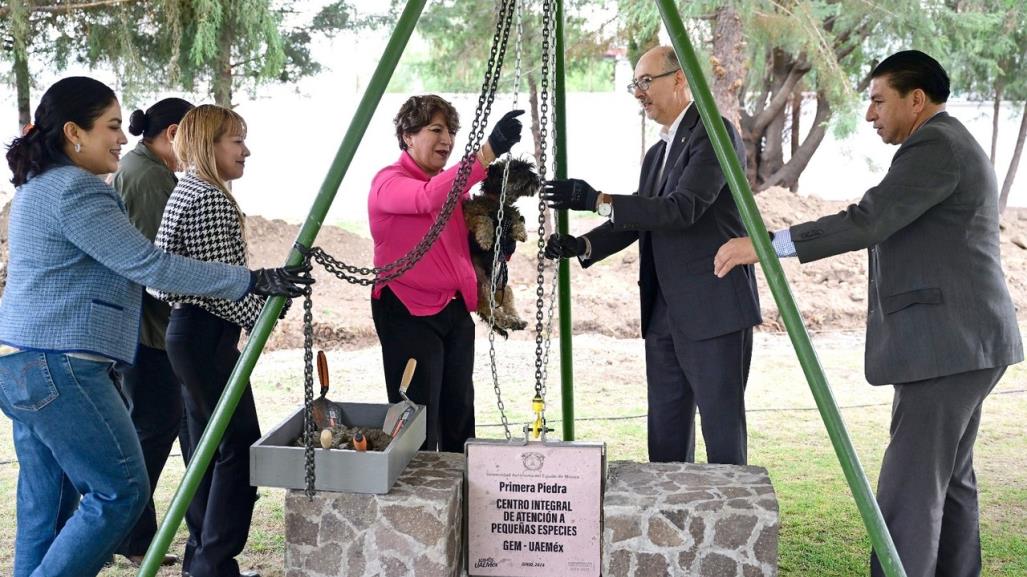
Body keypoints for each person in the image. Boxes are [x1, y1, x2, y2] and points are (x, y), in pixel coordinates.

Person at [713, 50, 1023, 577]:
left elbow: (868, 221)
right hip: (962, 343)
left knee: (910, 489)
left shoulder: (937, 145)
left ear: (916, 99)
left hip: (946, 347)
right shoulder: (944, 144)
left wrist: (767, 244)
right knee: (949, 483)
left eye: (879, 101)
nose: (870, 115)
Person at [0, 77, 311, 577]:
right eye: (113, 127)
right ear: (74, 133)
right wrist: (250, 281)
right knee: (120, 493)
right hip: (63, 367)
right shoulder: (78, 191)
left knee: (46, 506)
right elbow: (151, 266)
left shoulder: (36, 188)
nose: (124, 138)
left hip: (20, 365)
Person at [542, 46, 761, 465]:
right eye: (634, 85)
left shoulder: (714, 132)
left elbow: (683, 208)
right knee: (664, 433)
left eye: (646, 82)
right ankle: (670, 523)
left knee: (722, 434)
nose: (638, 93)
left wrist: (597, 199)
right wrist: (584, 245)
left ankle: (725, 528)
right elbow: (644, 216)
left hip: (714, 309)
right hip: (663, 312)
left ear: (679, 79)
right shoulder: (656, 154)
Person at [154, 104, 286, 577]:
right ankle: (214, 561)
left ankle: (203, 561)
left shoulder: (187, 188)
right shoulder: (208, 197)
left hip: (189, 334)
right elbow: (217, 287)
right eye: (236, 140)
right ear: (208, 145)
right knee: (237, 445)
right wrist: (269, 303)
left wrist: (257, 289)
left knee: (206, 450)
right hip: (205, 332)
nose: (245, 150)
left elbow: (179, 281)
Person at [368, 95, 523, 452]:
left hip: (451, 311)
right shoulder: (388, 182)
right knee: (417, 422)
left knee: (459, 414)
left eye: (451, 131)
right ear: (407, 136)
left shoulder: (450, 187)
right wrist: (488, 151)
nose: (448, 140)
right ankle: (420, 503)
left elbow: (459, 250)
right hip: (406, 311)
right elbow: (426, 198)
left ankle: (462, 494)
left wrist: (497, 251)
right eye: (435, 130)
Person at [110, 97, 194, 568]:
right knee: (152, 428)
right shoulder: (147, 176)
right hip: (150, 332)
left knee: (173, 426)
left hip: (156, 329)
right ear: (175, 131)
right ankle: (133, 535)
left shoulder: (148, 170)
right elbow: (154, 266)